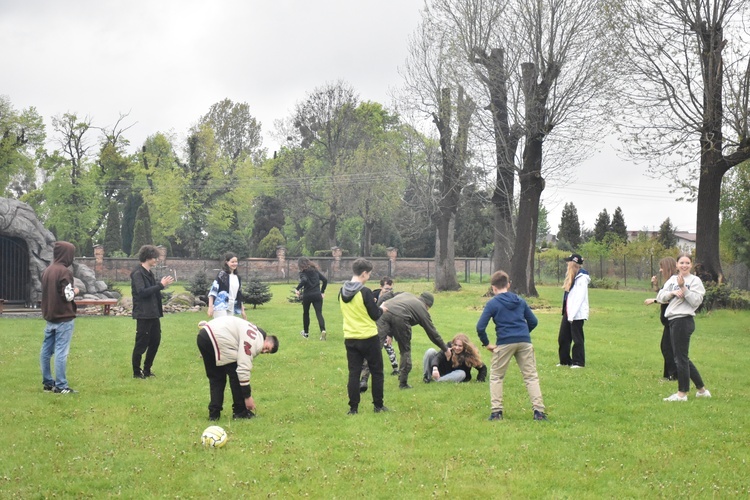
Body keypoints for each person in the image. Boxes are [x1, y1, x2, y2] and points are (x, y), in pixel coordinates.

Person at [476, 270, 547, 421]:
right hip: (524, 341)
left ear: (493, 288)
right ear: (508, 285)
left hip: (504, 342)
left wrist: (487, 344)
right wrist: (522, 334)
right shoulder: (520, 301)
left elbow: (480, 327)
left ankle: (496, 412)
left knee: (496, 377)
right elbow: (533, 321)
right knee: (531, 377)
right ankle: (539, 412)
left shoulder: (492, 303)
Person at [196, 316, 279, 420]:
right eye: (267, 348)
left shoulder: (252, 328)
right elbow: (243, 368)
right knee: (236, 375)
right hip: (217, 338)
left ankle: (214, 415)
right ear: (266, 338)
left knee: (216, 378)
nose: (264, 351)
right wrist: (248, 397)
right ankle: (241, 412)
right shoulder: (257, 341)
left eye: (267, 352)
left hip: (204, 335)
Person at [656, 252, 711, 402]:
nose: (684, 265)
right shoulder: (672, 280)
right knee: (682, 357)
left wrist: (684, 289)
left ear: (691, 265)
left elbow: (695, 302)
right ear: (677, 265)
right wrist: (672, 292)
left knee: (680, 358)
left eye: (687, 263)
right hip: (673, 319)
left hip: (683, 320)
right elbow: (660, 296)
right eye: (681, 263)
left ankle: (682, 393)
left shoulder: (695, 281)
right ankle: (702, 390)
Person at [338, 258, 389, 415]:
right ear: (364, 273)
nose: (369, 277)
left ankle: (353, 409)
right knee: (377, 371)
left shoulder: (342, 290)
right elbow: (374, 315)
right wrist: (381, 308)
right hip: (368, 337)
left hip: (350, 337)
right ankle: (378, 406)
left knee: (354, 373)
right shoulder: (364, 291)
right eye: (369, 274)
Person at [379, 291, 449, 389]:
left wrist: (378, 306)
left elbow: (390, 295)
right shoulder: (422, 309)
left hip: (384, 312)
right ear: (427, 305)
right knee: (405, 350)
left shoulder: (407, 294)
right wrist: (445, 348)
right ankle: (403, 383)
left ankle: (363, 379)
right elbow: (432, 333)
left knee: (375, 348)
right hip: (401, 318)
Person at [40, 241, 80, 394]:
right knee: (61, 352)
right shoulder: (64, 271)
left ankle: (48, 383)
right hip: (64, 317)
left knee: (46, 350)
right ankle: (61, 386)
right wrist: (76, 291)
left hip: (50, 317)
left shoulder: (48, 270)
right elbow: (68, 296)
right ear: (67, 254)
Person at [131, 244, 174, 379]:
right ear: (148, 257)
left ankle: (147, 370)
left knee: (155, 341)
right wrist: (161, 285)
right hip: (144, 314)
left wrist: (159, 285)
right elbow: (142, 292)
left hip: (153, 313)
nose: (156, 260)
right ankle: (137, 372)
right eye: (155, 257)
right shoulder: (138, 273)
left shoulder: (149, 273)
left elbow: (153, 290)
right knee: (141, 343)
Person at [359, 277, 399, 392]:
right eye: (387, 288)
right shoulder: (372, 295)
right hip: (371, 327)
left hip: (384, 328)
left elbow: (392, 317)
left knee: (388, 347)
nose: (389, 291)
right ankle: (364, 378)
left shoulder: (392, 298)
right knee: (371, 353)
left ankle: (395, 368)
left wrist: (390, 334)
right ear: (381, 286)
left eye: (391, 289)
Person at [643, 257, 678, 380]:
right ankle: (667, 374)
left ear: (668, 267)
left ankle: (674, 375)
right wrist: (656, 285)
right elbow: (661, 294)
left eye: (662, 267)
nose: (660, 270)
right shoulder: (669, 282)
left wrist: (654, 300)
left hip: (673, 320)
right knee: (666, 346)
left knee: (668, 348)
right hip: (667, 322)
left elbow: (670, 299)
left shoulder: (675, 281)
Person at [557, 253, 590, 368]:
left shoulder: (582, 278)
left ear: (573, 264)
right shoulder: (572, 278)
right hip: (568, 311)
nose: (567, 265)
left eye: (569, 263)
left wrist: (572, 315)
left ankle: (578, 362)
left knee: (577, 338)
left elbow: (579, 298)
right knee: (563, 337)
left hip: (576, 314)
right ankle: (565, 361)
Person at [422, 333, 487, 383]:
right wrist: (435, 368)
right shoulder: (448, 347)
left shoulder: (469, 354)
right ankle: (427, 377)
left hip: (455, 375)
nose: (457, 348)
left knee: (462, 373)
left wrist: (480, 380)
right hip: (440, 372)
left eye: (460, 346)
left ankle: (439, 381)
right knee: (430, 351)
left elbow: (482, 368)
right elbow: (437, 357)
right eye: (455, 345)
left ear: (465, 347)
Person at [295, 257, 328, 340]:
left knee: (306, 313)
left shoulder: (302, 273)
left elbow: (304, 280)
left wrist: (297, 289)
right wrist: (322, 291)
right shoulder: (315, 271)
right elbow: (325, 280)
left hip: (307, 295)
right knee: (319, 313)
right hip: (317, 295)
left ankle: (306, 333)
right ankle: (323, 330)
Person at [207, 252, 247, 319]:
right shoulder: (222, 275)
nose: (235, 264)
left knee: (229, 328)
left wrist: (242, 311)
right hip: (220, 306)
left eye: (236, 262)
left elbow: (239, 294)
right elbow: (213, 291)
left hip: (231, 306)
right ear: (227, 262)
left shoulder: (238, 277)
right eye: (232, 262)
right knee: (222, 327)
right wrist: (210, 307)